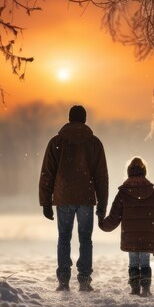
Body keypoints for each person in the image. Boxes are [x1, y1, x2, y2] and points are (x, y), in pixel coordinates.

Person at [39, 105, 108, 292]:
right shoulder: (94, 143)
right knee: (86, 239)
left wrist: (45, 202)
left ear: (69, 119)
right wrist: (102, 204)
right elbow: (102, 177)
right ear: (85, 120)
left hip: (63, 198)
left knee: (64, 238)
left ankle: (63, 281)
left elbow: (47, 174)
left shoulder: (56, 142)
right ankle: (84, 280)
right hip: (86, 198)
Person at [100, 157, 154, 297]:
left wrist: (103, 224)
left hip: (130, 236)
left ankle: (135, 289)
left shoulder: (123, 193)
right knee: (145, 263)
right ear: (144, 171)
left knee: (133, 262)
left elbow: (114, 216)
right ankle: (146, 289)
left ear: (129, 172)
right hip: (148, 236)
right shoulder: (153, 193)